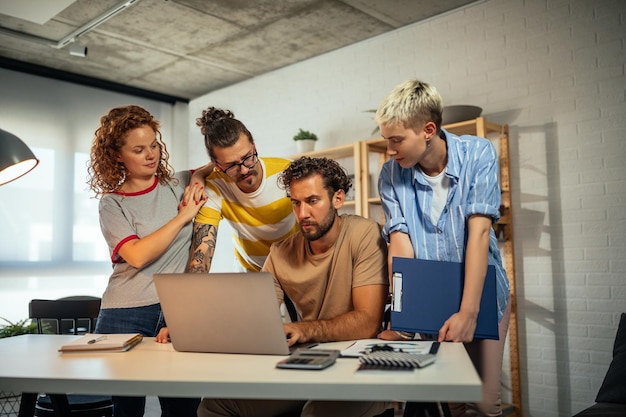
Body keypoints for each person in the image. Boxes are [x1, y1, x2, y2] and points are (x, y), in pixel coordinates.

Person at [197, 156, 391, 417]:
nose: (302, 214)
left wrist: (303, 330)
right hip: (308, 366)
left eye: (312, 201)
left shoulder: (364, 234)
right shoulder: (280, 253)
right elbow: (255, 318)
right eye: (295, 203)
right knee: (215, 404)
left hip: (357, 367)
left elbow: (368, 322)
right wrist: (195, 326)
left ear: (337, 199)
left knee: (316, 412)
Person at [374, 79, 511, 417]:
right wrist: (404, 319)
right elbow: (400, 247)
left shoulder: (477, 154)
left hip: (483, 294)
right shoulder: (391, 175)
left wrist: (469, 312)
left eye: (396, 140)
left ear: (428, 129)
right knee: (450, 403)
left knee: (481, 402)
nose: (390, 150)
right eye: (385, 140)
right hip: (432, 299)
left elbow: (479, 235)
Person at [87, 105, 209, 417]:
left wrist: (198, 176)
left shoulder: (176, 185)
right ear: (117, 155)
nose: (151, 154)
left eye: (154, 145)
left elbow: (215, 167)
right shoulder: (112, 204)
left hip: (176, 310)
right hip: (123, 314)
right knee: (127, 411)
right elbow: (138, 255)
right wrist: (184, 217)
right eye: (139, 149)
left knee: (184, 408)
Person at [187, 107, 298, 273]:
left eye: (247, 158)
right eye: (231, 166)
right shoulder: (214, 187)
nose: (244, 170)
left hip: (296, 267)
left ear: (254, 147)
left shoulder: (288, 172)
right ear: (216, 165)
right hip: (251, 276)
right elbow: (201, 256)